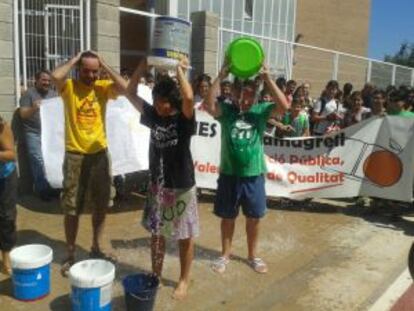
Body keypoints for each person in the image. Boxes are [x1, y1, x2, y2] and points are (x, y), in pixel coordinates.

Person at [205, 62, 289, 274]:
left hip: (253, 176)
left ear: (256, 96)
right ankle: (225, 254)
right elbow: (209, 106)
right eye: (241, 94)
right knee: (227, 217)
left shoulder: (260, 111)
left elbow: (284, 107)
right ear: (233, 94)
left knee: (254, 218)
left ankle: (252, 256)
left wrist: (268, 78)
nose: (245, 98)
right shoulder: (227, 111)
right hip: (229, 174)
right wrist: (220, 75)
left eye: (250, 94)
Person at [126, 57, 198, 300]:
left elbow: (188, 98)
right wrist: (141, 66)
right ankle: (155, 274)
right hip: (158, 186)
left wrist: (179, 70)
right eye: (156, 101)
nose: (159, 106)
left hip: (182, 186)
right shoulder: (154, 116)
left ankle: (184, 279)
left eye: (164, 102)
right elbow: (130, 92)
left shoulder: (184, 119)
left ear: (172, 101)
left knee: (184, 237)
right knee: (157, 233)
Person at [51, 51, 128, 276]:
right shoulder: (69, 88)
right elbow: (56, 76)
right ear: (78, 69)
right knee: (71, 208)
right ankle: (71, 254)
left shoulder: (103, 87)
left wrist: (105, 64)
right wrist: (74, 59)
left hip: (100, 155)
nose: (92, 75)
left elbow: (125, 88)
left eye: (95, 71)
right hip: (75, 155)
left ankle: (95, 246)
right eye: (87, 70)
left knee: (101, 205)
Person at [19, 70, 57, 200]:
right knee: (38, 160)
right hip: (33, 133)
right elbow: (23, 115)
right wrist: (34, 108)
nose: (46, 82)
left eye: (48, 80)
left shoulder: (53, 94)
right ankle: (42, 190)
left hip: (49, 133)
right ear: (37, 80)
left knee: (50, 161)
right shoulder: (28, 94)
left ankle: (53, 187)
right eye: (44, 80)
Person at [0, 116, 17, 275]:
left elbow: (11, 154)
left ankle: (6, 256)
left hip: (4, 176)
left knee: (6, 216)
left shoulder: (1, 126)